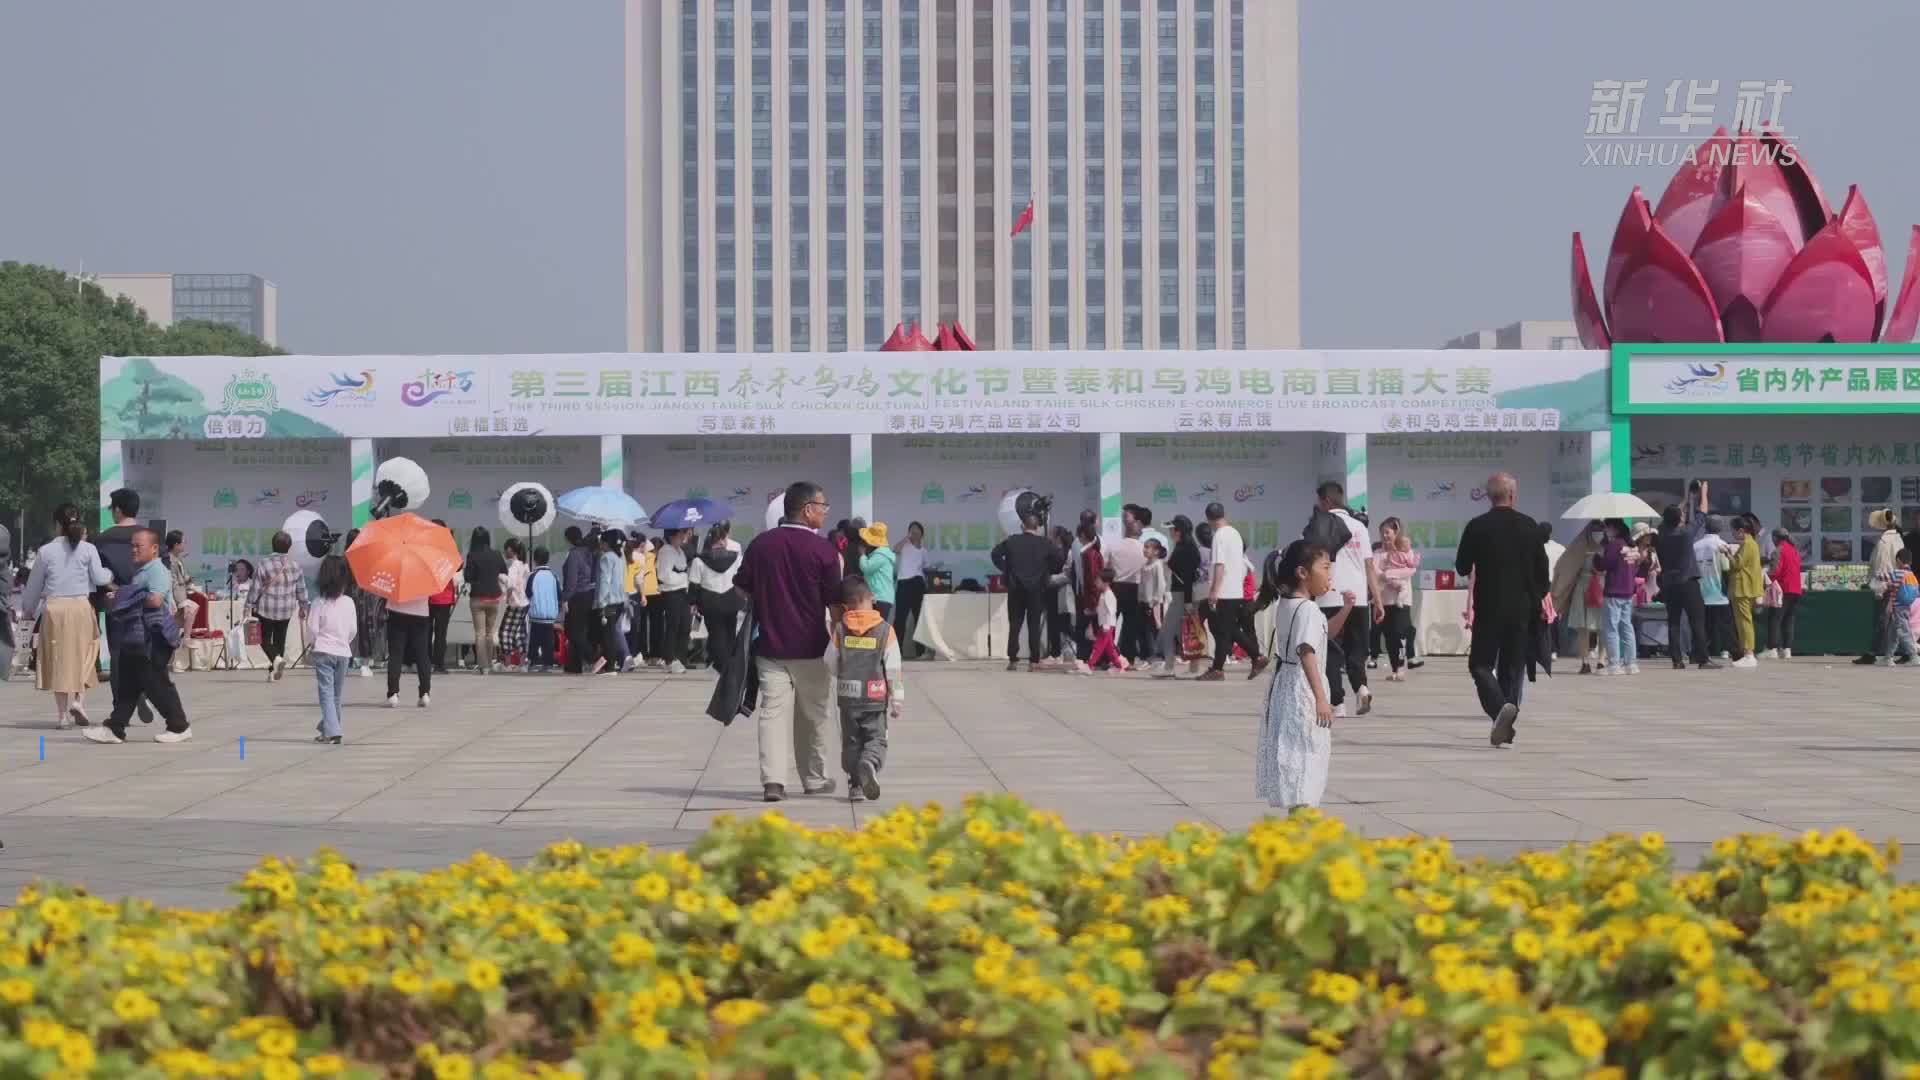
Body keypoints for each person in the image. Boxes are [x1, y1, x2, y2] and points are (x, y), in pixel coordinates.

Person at [735, 481, 844, 802]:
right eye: (822, 507)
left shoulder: (761, 545)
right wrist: (838, 637)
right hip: (811, 647)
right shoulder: (824, 550)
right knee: (814, 715)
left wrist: (767, 599)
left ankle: (773, 782)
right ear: (808, 509)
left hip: (770, 646)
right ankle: (814, 778)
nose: (825, 513)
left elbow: (742, 587)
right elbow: (835, 603)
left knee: (771, 712)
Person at [1454, 472, 1550, 748]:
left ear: (1488, 496)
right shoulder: (1529, 526)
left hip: (1489, 606)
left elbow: (1462, 566)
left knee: (1481, 665)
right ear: (1512, 495)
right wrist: (1537, 598)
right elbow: (1542, 573)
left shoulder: (1478, 526)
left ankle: (1499, 711)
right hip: (1522, 609)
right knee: (1511, 667)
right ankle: (1505, 719)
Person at [1256, 540, 1344, 811]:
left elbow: (1321, 635)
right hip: (1302, 688)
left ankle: (1299, 819)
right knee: (1307, 755)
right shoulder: (1307, 609)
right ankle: (1303, 821)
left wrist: (1346, 608)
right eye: (1325, 567)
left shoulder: (1289, 604)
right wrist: (1321, 698)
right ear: (1302, 573)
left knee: (1295, 754)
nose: (1330, 575)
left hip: (1286, 684)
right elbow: (1307, 651)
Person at [85, 527, 193, 745]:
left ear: (154, 549)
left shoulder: (157, 571)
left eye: (138, 546)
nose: (133, 550)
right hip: (136, 636)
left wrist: (124, 594)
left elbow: (155, 600)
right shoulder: (141, 571)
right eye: (132, 546)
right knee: (128, 684)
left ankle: (179, 726)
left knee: (156, 683)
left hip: (154, 637)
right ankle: (115, 728)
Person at [18, 504, 113, 728]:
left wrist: (28, 609)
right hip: (80, 606)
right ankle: (79, 701)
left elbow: (33, 587)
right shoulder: (88, 549)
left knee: (59, 659)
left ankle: (62, 716)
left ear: (57, 524)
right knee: (86, 654)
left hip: (54, 609)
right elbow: (100, 578)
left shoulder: (46, 551)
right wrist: (110, 573)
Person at [826, 575, 904, 802]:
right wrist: (896, 699)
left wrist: (840, 674)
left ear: (846, 605)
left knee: (851, 740)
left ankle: (856, 786)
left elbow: (829, 660)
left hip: (848, 697)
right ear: (871, 597)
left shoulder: (840, 630)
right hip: (874, 696)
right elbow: (894, 668)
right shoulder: (885, 630)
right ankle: (869, 763)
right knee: (876, 738)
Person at [1308, 483, 1380, 712]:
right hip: (1358, 598)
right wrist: (1377, 600)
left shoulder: (1319, 525)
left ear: (1326, 502)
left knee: (1331, 651)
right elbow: (1369, 566)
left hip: (1330, 596)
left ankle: (1337, 701)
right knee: (1357, 649)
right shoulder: (1360, 526)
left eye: (1319, 502)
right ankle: (1361, 689)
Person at [1195, 503, 1265, 682]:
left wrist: (1214, 591)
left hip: (1224, 592)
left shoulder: (1219, 536)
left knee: (1227, 630)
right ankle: (1218, 668)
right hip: (1235, 591)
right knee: (1224, 630)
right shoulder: (1234, 533)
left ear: (1208, 519)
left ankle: (1256, 656)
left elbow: (1220, 565)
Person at [1653, 483, 1715, 670]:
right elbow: (1702, 514)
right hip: (1688, 582)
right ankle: (1702, 659)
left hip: (1669, 584)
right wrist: (1703, 493)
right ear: (1680, 519)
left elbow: (1672, 515)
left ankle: (1677, 660)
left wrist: (1687, 498)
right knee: (1697, 621)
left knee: (1673, 621)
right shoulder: (1686, 533)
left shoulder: (1661, 534)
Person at [992, 513, 1062, 671]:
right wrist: (1046, 570)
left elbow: (995, 554)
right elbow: (1058, 559)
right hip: (1036, 590)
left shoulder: (1012, 541)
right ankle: (1034, 661)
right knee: (1034, 625)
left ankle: (1013, 660)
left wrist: (1006, 570)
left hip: (1015, 588)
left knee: (1015, 624)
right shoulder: (1045, 543)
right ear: (1038, 527)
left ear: (1023, 526)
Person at [305, 555, 355, 744]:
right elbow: (352, 630)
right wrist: (344, 641)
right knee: (336, 694)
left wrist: (312, 643)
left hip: (324, 651)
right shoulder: (349, 602)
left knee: (326, 693)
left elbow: (312, 629)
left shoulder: (319, 602)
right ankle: (329, 728)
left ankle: (333, 731)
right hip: (343, 653)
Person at [249, 530, 309, 682]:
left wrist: (248, 605)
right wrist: (303, 606)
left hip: (266, 608)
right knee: (280, 639)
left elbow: (255, 588)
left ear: (272, 545)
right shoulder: (295, 565)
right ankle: (274, 672)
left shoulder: (264, 563)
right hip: (287, 609)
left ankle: (275, 661)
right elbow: (301, 589)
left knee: (263, 638)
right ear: (289, 548)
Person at [691, 522, 745, 674]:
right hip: (732, 600)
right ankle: (730, 664)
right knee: (730, 632)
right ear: (723, 539)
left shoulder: (698, 560)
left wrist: (693, 602)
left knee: (715, 634)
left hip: (710, 601)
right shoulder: (737, 558)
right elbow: (742, 578)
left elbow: (694, 584)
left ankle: (721, 665)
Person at [1376, 517, 1421, 681]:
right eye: (1382, 533)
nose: (1384, 536)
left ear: (1396, 532)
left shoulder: (1405, 551)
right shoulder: (1378, 553)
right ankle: (1394, 668)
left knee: (1400, 633)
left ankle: (1401, 667)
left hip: (1402, 601)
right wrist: (1387, 577)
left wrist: (1390, 574)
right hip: (1385, 601)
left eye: (1387, 532)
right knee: (1389, 636)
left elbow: (1411, 570)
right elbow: (1375, 572)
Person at [1859, 508, 1906, 665]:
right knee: (1897, 620)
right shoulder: (1898, 539)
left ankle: (1876, 653)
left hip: (1887, 585)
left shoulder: (1884, 542)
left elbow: (1882, 567)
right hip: (1898, 582)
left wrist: (1880, 587)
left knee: (1882, 620)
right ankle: (1903, 651)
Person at [1593, 519, 1639, 675]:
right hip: (1628, 591)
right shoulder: (1632, 546)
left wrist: (1598, 554)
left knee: (1611, 628)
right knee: (1627, 627)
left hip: (1614, 591)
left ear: (1614, 528)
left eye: (1607, 528)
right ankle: (1631, 663)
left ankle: (1614, 664)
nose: (1606, 531)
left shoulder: (1614, 545)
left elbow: (1603, 565)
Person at [1157, 515, 1201, 676]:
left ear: (1178, 531)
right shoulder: (1185, 547)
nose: (1169, 532)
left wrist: (1188, 601)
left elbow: (1188, 577)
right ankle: (1193, 668)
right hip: (1183, 595)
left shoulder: (1184, 549)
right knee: (1189, 631)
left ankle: (1169, 666)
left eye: (1171, 529)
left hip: (1182, 595)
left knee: (1168, 631)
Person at [1105, 505, 1149, 663]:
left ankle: (1107, 656)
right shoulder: (1144, 549)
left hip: (1116, 587)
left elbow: (1107, 568)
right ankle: (1128, 657)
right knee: (1130, 624)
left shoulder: (1113, 546)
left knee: (1110, 623)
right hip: (1134, 588)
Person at [462, 526, 507, 674]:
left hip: (477, 597)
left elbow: (467, 577)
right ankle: (490, 662)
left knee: (480, 633)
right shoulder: (496, 554)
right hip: (494, 597)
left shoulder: (472, 555)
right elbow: (504, 571)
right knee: (490, 633)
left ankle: (484, 666)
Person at [385, 578, 434, 710]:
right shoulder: (426, 565)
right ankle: (424, 693)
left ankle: (393, 693)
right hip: (421, 612)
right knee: (422, 654)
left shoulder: (396, 561)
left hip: (397, 609)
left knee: (395, 653)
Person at [342, 528, 384, 678]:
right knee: (364, 631)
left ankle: (346, 662)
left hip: (348, 599)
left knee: (347, 632)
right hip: (364, 600)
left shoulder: (344, 558)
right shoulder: (366, 557)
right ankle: (365, 664)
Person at [560, 526, 599, 673]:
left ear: (568, 539)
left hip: (576, 596)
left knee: (573, 632)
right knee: (580, 630)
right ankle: (574, 664)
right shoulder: (588, 552)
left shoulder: (574, 555)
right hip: (588, 595)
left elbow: (571, 581)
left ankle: (593, 657)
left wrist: (564, 598)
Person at [1694, 516, 1733, 660]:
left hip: (1700, 592)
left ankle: (1702, 651)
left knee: (1703, 624)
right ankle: (1724, 650)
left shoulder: (1695, 545)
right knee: (1724, 623)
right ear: (1720, 528)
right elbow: (1727, 567)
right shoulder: (1722, 544)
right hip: (1719, 593)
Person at [655, 528, 693, 674]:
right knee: (673, 625)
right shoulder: (666, 551)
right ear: (672, 536)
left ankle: (681, 657)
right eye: (680, 533)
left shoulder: (680, 551)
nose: (683, 536)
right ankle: (670, 658)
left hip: (683, 591)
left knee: (685, 625)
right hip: (671, 593)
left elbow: (683, 570)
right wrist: (682, 578)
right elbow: (664, 575)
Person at [1729, 517, 1765, 669]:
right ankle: (1747, 653)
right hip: (1743, 588)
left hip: (1743, 588)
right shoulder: (1750, 543)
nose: (1732, 534)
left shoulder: (1748, 544)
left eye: (1733, 530)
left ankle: (1749, 653)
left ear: (1741, 531)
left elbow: (1737, 564)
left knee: (1744, 622)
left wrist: (1727, 553)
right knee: (1742, 622)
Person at [593, 529, 630, 675]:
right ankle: (612, 663)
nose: (600, 544)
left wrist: (601, 603)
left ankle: (609, 666)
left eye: (602, 541)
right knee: (611, 632)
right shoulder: (620, 557)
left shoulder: (606, 557)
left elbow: (604, 581)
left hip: (609, 601)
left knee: (607, 634)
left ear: (606, 543)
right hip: (620, 600)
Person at [426, 520, 460, 675]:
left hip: (426, 596)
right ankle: (439, 664)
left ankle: (425, 662)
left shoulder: (426, 547)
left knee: (426, 632)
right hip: (444, 597)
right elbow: (459, 564)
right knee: (441, 633)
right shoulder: (448, 548)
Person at [893, 522, 929, 659]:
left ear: (921, 533)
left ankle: (920, 652)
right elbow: (895, 549)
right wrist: (906, 539)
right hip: (904, 584)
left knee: (918, 618)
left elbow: (926, 567)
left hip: (918, 584)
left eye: (917, 530)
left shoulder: (924, 550)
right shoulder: (905, 546)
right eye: (912, 531)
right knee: (900, 619)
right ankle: (897, 651)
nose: (914, 533)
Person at [164, 531, 199, 672]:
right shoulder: (169, 560)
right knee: (191, 609)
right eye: (183, 542)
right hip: (175, 598)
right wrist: (174, 601)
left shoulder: (177, 559)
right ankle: (186, 639)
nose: (185, 545)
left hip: (181, 596)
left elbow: (182, 578)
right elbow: (171, 582)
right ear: (176, 544)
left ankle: (174, 659)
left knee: (173, 630)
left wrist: (190, 582)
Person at [1878, 549, 1919, 666]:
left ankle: (1913, 656)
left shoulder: (1898, 573)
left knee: (1903, 632)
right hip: (1906, 606)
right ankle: (1888, 657)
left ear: (1899, 560)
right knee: (1893, 633)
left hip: (1898, 608)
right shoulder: (1912, 575)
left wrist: (1879, 572)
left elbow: (1882, 576)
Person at [1045, 525, 1079, 663]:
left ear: (1057, 537)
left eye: (1052, 535)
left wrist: (1049, 579)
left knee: (1057, 624)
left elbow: (1067, 574)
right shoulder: (1064, 551)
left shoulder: (1062, 552)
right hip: (1059, 592)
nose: (1049, 538)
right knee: (1062, 624)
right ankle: (1056, 652)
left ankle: (1055, 653)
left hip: (1058, 591)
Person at [1084, 568, 1128, 673]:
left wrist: (1106, 625)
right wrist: (1092, 612)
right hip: (1104, 625)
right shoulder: (1104, 594)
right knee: (1110, 648)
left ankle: (1089, 665)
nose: (1096, 582)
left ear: (1106, 582)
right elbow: (1102, 610)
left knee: (1098, 647)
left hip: (1106, 625)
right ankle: (1119, 665)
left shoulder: (1109, 595)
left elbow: (1111, 611)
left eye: (1098, 580)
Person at [1769, 529, 1803, 659]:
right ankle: (1787, 649)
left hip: (1782, 588)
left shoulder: (1779, 550)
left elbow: (1775, 571)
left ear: (1776, 537)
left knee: (1775, 618)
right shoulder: (1794, 550)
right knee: (1789, 619)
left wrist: (1764, 576)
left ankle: (1772, 649)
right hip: (1795, 589)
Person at [526, 546, 561, 672]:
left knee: (534, 640)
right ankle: (548, 663)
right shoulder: (553, 576)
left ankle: (533, 662)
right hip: (550, 614)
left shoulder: (533, 575)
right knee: (548, 641)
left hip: (536, 614)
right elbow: (559, 594)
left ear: (535, 560)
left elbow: (528, 592)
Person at [500, 538, 531, 669]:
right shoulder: (525, 565)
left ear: (510, 550)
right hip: (524, 602)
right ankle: (522, 662)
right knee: (519, 631)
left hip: (515, 602)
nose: (505, 552)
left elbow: (511, 584)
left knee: (505, 631)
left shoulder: (513, 566)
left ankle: (507, 662)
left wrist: (501, 577)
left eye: (506, 549)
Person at [858, 522, 897, 622]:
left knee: (876, 629)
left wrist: (862, 555)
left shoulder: (880, 556)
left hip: (880, 598)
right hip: (881, 598)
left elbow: (866, 567)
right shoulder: (882, 554)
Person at [1141, 536, 1170, 662]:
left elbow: (1161, 584)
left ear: (1156, 551)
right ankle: (1152, 652)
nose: (1145, 550)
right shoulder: (1145, 564)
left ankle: (1161, 653)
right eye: (1145, 547)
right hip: (1145, 602)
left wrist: (1156, 599)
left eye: (1148, 547)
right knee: (1148, 629)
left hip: (1155, 603)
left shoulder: (1157, 564)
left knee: (1157, 627)